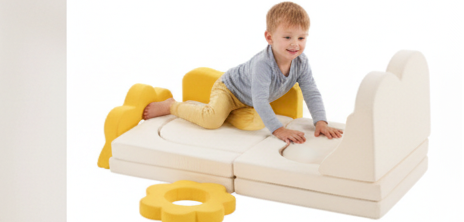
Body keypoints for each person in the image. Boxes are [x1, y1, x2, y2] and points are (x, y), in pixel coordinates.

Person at [141, 2, 343, 144]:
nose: (295, 44)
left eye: (301, 38)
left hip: (249, 101)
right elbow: (261, 100)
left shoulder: (301, 63)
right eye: (288, 37)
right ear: (269, 38)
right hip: (230, 90)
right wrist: (278, 130)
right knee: (212, 121)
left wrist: (321, 122)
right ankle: (171, 105)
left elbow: (311, 92)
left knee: (256, 123)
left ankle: (225, 114)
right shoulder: (263, 64)